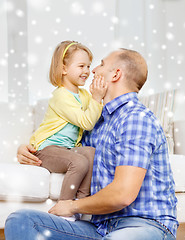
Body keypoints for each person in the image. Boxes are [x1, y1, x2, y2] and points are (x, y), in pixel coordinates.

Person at [5, 48, 178, 240]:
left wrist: (71, 205)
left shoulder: (136, 118)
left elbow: (123, 194)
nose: (93, 70)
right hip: (100, 228)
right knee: (21, 221)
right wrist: (28, 148)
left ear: (116, 74)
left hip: (144, 224)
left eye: (101, 64)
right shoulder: (96, 123)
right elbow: (65, 149)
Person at [18, 40, 107, 217]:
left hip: (66, 149)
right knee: (79, 162)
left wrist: (100, 96)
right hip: (45, 149)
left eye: (88, 66)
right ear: (64, 69)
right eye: (81, 66)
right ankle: (64, 209)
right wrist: (97, 98)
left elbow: (97, 113)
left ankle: (82, 206)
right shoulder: (60, 96)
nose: (87, 71)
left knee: (90, 153)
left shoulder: (83, 94)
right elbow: (87, 122)